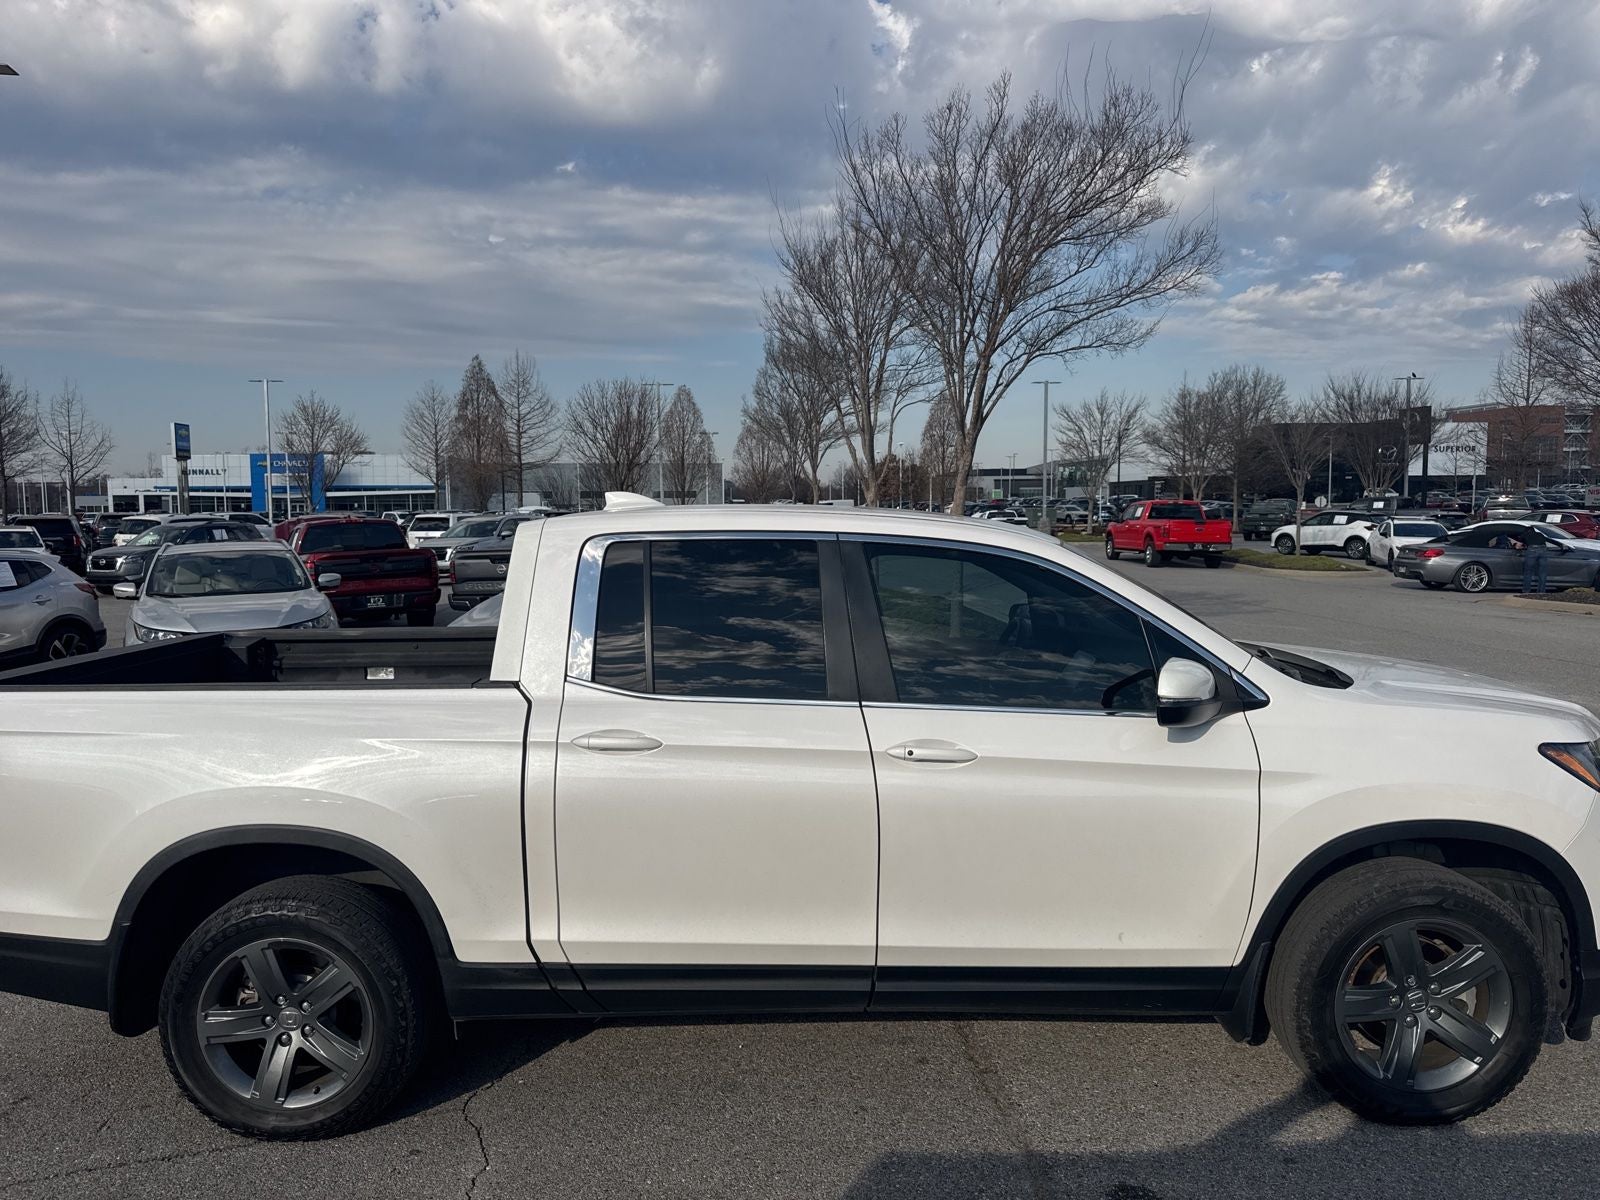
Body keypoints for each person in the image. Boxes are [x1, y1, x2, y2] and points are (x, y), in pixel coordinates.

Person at [1521, 530, 1550, 594]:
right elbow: (1545, 541)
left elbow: (1521, 542)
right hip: (1543, 549)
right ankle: (1541, 591)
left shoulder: (1525, 534)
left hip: (1532, 549)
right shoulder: (1540, 534)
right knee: (1543, 572)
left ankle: (1526, 590)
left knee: (1528, 572)